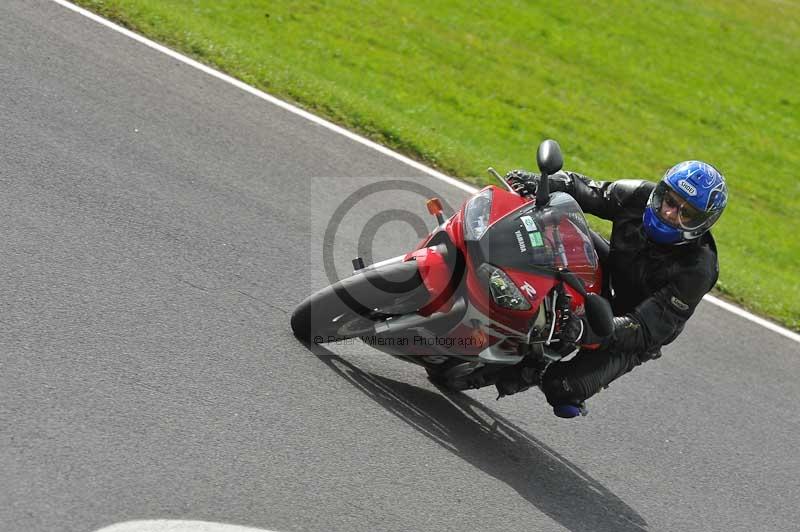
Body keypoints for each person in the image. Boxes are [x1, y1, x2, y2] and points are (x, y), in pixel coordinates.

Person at [502, 161, 728, 418]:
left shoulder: (698, 269)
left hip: (635, 329)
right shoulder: (639, 195)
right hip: (614, 270)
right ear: (661, 192)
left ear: (701, 223)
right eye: (670, 201)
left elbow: (644, 329)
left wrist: (584, 330)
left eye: (685, 213)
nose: (669, 213)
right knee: (556, 228)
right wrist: (539, 182)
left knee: (562, 389)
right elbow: (586, 189)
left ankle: (536, 368)